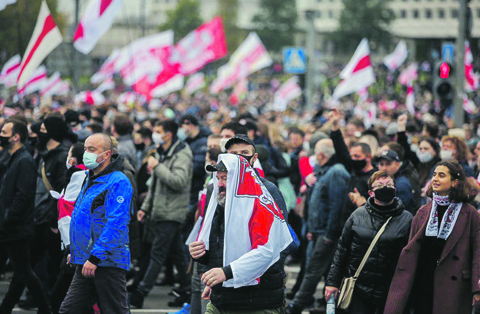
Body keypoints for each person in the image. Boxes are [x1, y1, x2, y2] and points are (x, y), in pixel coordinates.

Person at [189, 154, 293, 313]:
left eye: (225, 178)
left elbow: (265, 253)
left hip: (255, 303)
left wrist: (226, 273)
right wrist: (201, 254)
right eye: (218, 178)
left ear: (240, 180)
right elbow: (220, 251)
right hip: (222, 298)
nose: (220, 184)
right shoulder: (220, 206)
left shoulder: (259, 207)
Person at [384, 161, 480, 314]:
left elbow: (477, 252)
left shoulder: (470, 214)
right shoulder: (423, 211)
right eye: (434, 174)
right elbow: (412, 249)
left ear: (455, 182)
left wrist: (476, 288)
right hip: (424, 280)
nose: (435, 178)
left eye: (442, 175)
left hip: (453, 286)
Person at [59, 133, 133, 314]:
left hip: (107, 262)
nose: (86, 153)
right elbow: (84, 217)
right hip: (86, 260)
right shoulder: (90, 177)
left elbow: (116, 224)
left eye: (92, 150)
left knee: (114, 310)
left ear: (107, 154)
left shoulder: (118, 181)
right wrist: (76, 252)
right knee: (69, 310)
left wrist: (95, 257)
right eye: (85, 148)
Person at [325, 171, 413, 314]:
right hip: (359, 291)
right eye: (379, 185)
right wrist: (332, 283)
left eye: (389, 184)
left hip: (390, 291)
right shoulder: (357, 216)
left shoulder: (407, 219)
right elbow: (342, 251)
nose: (385, 188)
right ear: (371, 193)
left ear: (395, 190)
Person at [130, 119, 193, 308]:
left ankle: (140, 293)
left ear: (169, 134)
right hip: (160, 210)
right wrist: (145, 208)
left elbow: (178, 181)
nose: (155, 134)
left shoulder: (181, 154)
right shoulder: (162, 152)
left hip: (171, 211)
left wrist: (157, 167)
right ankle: (188, 291)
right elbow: (154, 187)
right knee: (178, 255)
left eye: (159, 131)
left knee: (158, 253)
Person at [286, 139, 351, 314]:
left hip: (326, 233)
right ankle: (327, 304)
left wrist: (329, 234)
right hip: (318, 231)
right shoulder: (323, 171)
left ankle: (297, 305)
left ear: (321, 155)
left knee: (313, 269)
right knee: (322, 269)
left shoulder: (336, 172)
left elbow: (336, 207)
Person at [0, 119, 53, 314]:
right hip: (10, 226)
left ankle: (45, 307)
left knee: (24, 272)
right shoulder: (11, 158)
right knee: (23, 271)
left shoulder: (24, 161)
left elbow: (23, 195)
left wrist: (7, 218)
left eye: (4, 132)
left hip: (16, 228)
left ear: (16, 137)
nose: (1, 135)